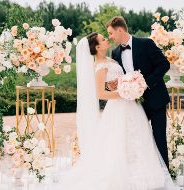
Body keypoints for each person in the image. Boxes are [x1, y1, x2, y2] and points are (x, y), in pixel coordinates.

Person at [55, 32, 176, 190]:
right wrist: (125, 93)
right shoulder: (99, 66)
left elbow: (115, 81)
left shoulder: (112, 58)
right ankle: (122, 175)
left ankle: (143, 171)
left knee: (139, 136)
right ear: (97, 47)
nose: (107, 39)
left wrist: (127, 84)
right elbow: (100, 93)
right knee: (118, 139)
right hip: (118, 106)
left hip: (132, 105)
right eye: (103, 39)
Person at [106, 16, 170, 168]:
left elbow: (164, 64)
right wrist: (115, 84)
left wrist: (145, 83)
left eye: (111, 33)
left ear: (120, 29)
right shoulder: (115, 53)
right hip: (133, 104)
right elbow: (118, 77)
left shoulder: (146, 43)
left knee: (159, 137)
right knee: (136, 139)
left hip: (156, 100)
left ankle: (165, 174)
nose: (110, 37)